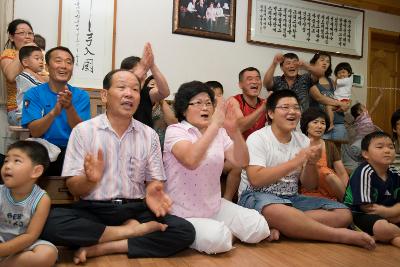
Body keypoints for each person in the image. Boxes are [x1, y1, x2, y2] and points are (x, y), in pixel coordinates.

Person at [40, 69, 195, 264]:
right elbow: (72, 187)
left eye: (135, 89)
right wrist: (90, 180)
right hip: (93, 210)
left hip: (136, 209)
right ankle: (130, 232)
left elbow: (155, 182)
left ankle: (103, 246)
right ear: (105, 95)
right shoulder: (84, 131)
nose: (129, 94)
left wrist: (154, 190)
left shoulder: (149, 135)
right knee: (49, 223)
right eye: (121, 88)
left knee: (184, 231)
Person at [238, 89, 376, 249]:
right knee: (276, 210)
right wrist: (296, 161)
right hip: (256, 196)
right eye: (285, 107)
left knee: (343, 214)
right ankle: (339, 235)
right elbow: (256, 180)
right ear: (270, 113)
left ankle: (285, 226)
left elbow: (309, 185)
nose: (292, 112)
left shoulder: (303, 140)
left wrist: (311, 163)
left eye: (296, 108)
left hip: (291, 198)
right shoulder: (258, 138)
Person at [164, 81, 269, 254]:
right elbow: (191, 159)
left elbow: (241, 161)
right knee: (218, 239)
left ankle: (222, 232)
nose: (205, 108)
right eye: (198, 103)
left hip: (214, 206)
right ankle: (216, 233)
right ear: (184, 109)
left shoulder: (219, 133)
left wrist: (234, 131)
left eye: (208, 103)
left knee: (259, 227)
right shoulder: (176, 131)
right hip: (183, 211)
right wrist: (215, 125)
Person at [21, 46, 90, 176]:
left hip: (72, 149)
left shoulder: (81, 95)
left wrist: (69, 108)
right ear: (47, 67)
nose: (64, 66)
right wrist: (53, 113)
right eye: (58, 61)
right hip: (43, 150)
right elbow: (35, 131)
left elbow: (83, 132)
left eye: (69, 62)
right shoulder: (33, 94)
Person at [0, 140, 57, 267]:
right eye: (6, 161)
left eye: (17, 161)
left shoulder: (42, 199)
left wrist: (3, 250)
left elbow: (31, 236)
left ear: (36, 171)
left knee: (47, 253)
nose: (8, 165)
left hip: (25, 246)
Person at [344, 131, 400, 248]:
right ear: (365, 154)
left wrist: (389, 213)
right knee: (383, 228)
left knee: (387, 230)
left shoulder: (395, 172)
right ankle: (387, 234)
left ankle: (390, 237)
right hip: (359, 215)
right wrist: (391, 213)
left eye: (391, 147)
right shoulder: (364, 172)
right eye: (380, 147)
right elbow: (366, 207)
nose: (387, 150)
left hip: (388, 214)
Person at [224, 67, 266, 201]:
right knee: (239, 164)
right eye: (250, 79)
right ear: (240, 85)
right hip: (231, 154)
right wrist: (263, 109)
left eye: (257, 78)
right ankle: (228, 201)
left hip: (255, 153)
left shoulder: (264, 102)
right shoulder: (234, 101)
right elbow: (240, 126)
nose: (255, 82)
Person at [300, 108, 349, 201]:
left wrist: (346, 190)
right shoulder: (298, 145)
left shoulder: (330, 145)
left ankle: (347, 201)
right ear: (306, 125)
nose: (319, 126)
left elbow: (342, 172)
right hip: (307, 189)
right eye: (315, 122)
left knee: (326, 173)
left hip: (330, 187)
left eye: (323, 123)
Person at [120, 43, 170, 127]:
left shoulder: (146, 92)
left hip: (145, 136)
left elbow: (165, 92)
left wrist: (152, 65)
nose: (140, 76)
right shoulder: (118, 91)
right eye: (132, 73)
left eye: (144, 73)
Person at [1, 19, 36, 126]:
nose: (27, 36)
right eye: (22, 33)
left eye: (30, 33)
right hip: (17, 110)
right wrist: (24, 50)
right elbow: (11, 76)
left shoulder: (38, 55)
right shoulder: (8, 53)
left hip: (39, 107)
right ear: (11, 37)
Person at [308, 52, 350, 140]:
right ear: (314, 62)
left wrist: (347, 104)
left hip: (339, 123)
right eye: (322, 60)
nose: (325, 63)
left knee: (337, 153)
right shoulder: (309, 79)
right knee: (320, 152)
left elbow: (341, 95)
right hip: (320, 124)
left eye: (328, 61)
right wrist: (340, 104)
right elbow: (319, 98)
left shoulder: (331, 81)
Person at [341, 90, 384, 173]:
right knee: (358, 149)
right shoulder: (360, 117)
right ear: (359, 112)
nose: (366, 108)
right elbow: (349, 122)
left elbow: (375, 106)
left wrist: (380, 96)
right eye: (363, 107)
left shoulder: (367, 114)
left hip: (370, 137)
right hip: (361, 137)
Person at [14, 46, 47, 126]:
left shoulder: (35, 75)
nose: (41, 61)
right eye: (37, 59)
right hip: (26, 116)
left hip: (35, 115)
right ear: (25, 62)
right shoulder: (24, 75)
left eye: (42, 59)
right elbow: (42, 88)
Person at [324, 62, 354, 131]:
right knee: (329, 108)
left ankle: (331, 124)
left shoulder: (347, 80)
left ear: (349, 73)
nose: (341, 74)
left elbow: (336, 82)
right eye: (339, 73)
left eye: (343, 72)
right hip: (340, 100)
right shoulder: (344, 81)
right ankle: (331, 124)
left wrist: (337, 77)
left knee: (329, 107)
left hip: (342, 100)